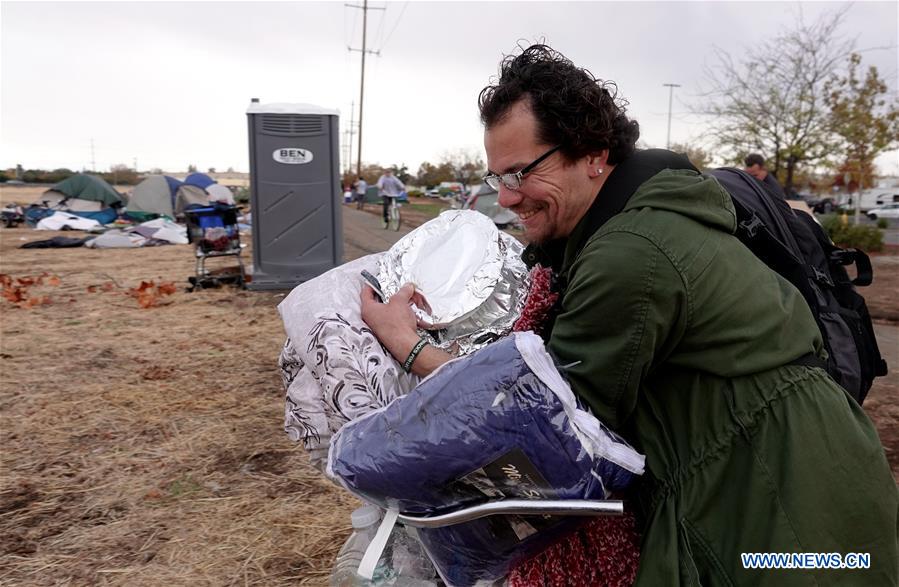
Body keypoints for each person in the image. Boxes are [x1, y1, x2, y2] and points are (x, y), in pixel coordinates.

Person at [360, 44, 897, 584]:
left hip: (782, 505)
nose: (508, 197)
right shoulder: (634, 216)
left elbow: (549, 423)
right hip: (773, 472)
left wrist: (410, 348)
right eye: (497, 176)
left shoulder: (631, 252)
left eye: (521, 173)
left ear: (593, 153)